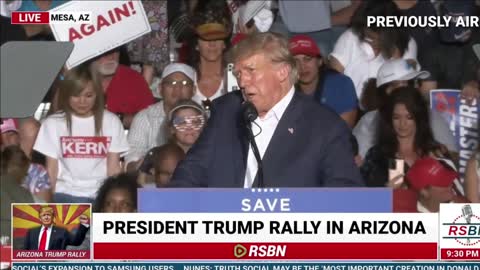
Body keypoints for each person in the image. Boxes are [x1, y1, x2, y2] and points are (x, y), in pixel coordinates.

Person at [170, 32, 363, 187]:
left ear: (282, 72)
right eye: (238, 74)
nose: (242, 82)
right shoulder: (226, 109)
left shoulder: (326, 127)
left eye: (251, 71)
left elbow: (345, 197)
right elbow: (192, 170)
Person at [33, 65, 129, 203]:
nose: (82, 102)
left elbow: (113, 169)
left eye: (88, 95)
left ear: (97, 93)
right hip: (64, 194)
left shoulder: (111, 122)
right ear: (66, 94)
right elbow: (51, 170)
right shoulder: (52, 124)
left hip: (99, 195)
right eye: (76, 95)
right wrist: (47, 205)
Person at [353, 59, 457, 158]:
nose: (413, 88)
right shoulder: (370, 121)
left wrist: (436, 161)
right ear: (386, 90)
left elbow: (452, 156)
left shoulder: (431, 115)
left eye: (413, 83)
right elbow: (360, 162)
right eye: (407, 84)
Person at [360, 87, 454, 188]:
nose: (402, 124)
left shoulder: (436, 152)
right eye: (396, 117)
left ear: (419, 118)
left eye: (409, 117)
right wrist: (385, 192)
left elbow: (458, 199)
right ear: (389, 119)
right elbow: (362, 200)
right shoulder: (377, 156)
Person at [329, 0, 417, 106]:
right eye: (367, 34)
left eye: (374, 37)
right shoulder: (350, 37)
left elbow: (403, 86)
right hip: (350, 106)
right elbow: (334, 81)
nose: (369, 39)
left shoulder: (407, 43)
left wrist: (394, 54)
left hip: (390, 108)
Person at [126, 63, 196, 172]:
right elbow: (131, 159)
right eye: (171, 83)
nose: (177, 90)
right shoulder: (145, 117)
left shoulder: (203, 117)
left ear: (194, 90)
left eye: (184, 83)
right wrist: (141, 165)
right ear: (160, 89)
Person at [289, 34, 358, 128]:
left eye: (307, 59)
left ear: (320, 61)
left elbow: (344, 131)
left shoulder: (340, 84)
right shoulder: (284, 90)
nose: (302, 66)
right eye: (295, 61)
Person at [89, 48, 155, 129]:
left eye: (115, 51)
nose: (111, 57)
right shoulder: (78, 79)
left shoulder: (133, 78)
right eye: (104, 52)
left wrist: (119, 119)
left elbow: (150, 119)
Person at [23, 206, 89, 250]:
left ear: (53, 217)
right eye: (44, 215)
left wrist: (83, 225)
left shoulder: (62, 232)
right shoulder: (32, 232)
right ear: (40, 218)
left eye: (48, 215)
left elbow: (76, 241)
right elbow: (25, 250)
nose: (46, 217)